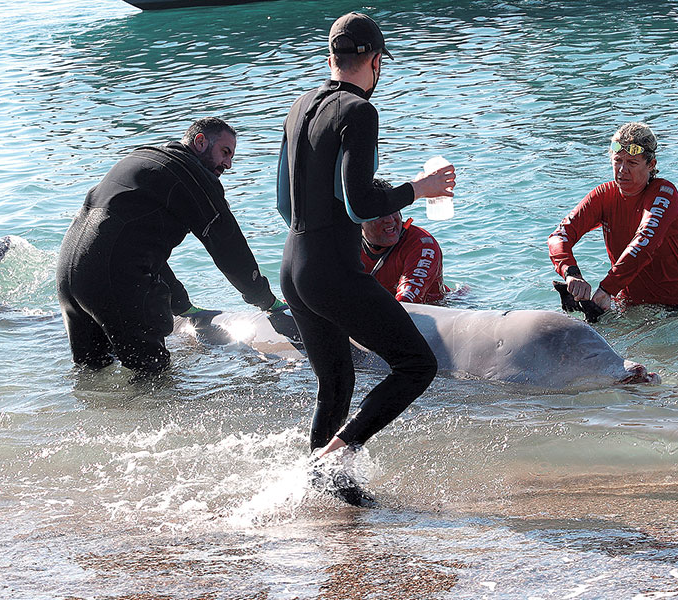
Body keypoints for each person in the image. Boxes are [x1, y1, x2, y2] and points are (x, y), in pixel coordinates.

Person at [276, 13, 455, 467]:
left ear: (331, 57)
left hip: (293, 268)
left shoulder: (299, 106)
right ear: (375, 61)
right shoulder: (360, 111)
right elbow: (358, 205)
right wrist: (421, 189)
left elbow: (284, 202)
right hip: (332, 269)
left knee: (336, 382)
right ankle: (332, 459)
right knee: (417, 366)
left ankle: (324, 485)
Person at [57, 117, 286, 375]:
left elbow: (129, 243)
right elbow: (229, 248)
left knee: (93, 373)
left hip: (69, 275)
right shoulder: (192, 176)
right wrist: (265, 300)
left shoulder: (146, 159)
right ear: (200, 142)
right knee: (154, 377)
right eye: (225, 152)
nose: (228, 164)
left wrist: (181, 304)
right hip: (113, 278)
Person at [548, 122, 678, 310]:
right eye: (617, 161)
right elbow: (559, 236)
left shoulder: (664, 194)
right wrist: (571, 273)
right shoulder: (603, 195)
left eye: (632, 163)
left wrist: (606, 289)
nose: (622, 170)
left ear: (651, 165)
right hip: (630, 307)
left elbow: (643, 242)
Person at [360, 179, 448, 304]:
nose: (390, 220)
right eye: (380, 214)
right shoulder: (345, 244)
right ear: (359, 220)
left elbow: (407, 302)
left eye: (393, 209)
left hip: (437, 310)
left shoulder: (422, 244)